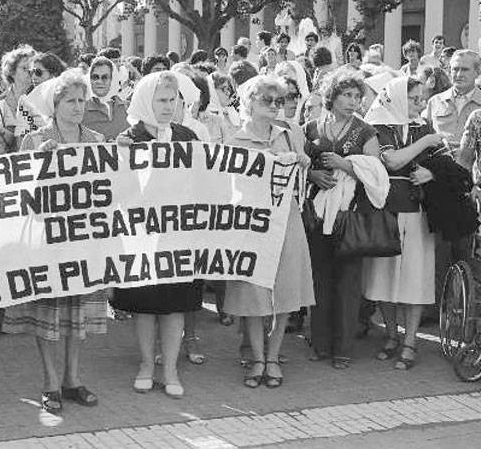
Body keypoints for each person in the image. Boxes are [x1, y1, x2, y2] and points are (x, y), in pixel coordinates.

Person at [2, 70, 107, 415]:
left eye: (82, 100)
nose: (78, 107)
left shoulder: (95, 141)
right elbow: (17, 195)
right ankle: (50, 381)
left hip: (83, 241)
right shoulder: (34, 141)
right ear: (55, 104)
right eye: (71, 101)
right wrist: (38, 167)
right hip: (46, 242)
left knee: (78, 314)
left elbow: (107, 192)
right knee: (48, 314)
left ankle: (72, 379)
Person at [110, 71, 202, 399]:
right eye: (161, 99)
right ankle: (147, 365)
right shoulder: (129, 139)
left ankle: (171, 369)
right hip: (141, 236)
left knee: (175, 304)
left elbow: (202, 185)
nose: (168, 105)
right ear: (146, 101)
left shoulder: (188, 138)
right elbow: (118, 191)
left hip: (178, 235)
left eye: (173, 99)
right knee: (145, 305)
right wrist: (118, 158)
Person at [224, 75, 314, 387]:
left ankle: (273, 356)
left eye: (280, 101)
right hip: (251, 222)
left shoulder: (289, 135)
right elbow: (228, 186)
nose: (276, 106)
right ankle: (257, 358)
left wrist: (302, 162)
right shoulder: (236, 141)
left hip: (286, 218)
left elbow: (303, 172)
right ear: (249, 103)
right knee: (252, 292)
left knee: (286, 289)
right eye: (268, 101)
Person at [363, 77, 446, 370]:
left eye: (423, 99)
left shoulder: (424, 127)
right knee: (384, 277)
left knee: (414, 278)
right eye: (414, 98)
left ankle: (410, 340)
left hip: (418, 213)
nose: (421, 104)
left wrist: (432, 175)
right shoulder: (379, 127)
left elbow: (446, 166)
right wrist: (425, 141)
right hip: (386, 211)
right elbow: (392, 162)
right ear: (398, 98)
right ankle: (391, 333)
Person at [304, 70, 382, 369]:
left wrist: (346, 165)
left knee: (348, 282)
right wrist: (312, 174)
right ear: (332, 96)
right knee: (320, 279)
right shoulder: (312, 126)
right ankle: (320, 343)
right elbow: (299, 162)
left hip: (350, 216)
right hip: (317, 214)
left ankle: (343, 349)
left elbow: (376, 174)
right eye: (346, 95)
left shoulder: (365, 132)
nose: (352, 101)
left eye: (356, 96)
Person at [425, 50, 481, 155]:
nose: (459, 74)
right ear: (449, 71)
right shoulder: (435, 102)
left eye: (465, 70)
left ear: (477, 72)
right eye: (455, 69)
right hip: (440, 167)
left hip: (473, 168)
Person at [82, 56, 130, 141]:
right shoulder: (80, 109)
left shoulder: (128, 108)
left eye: (104, 77)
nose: (99, 82)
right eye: (95, 77)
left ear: (113, 79)